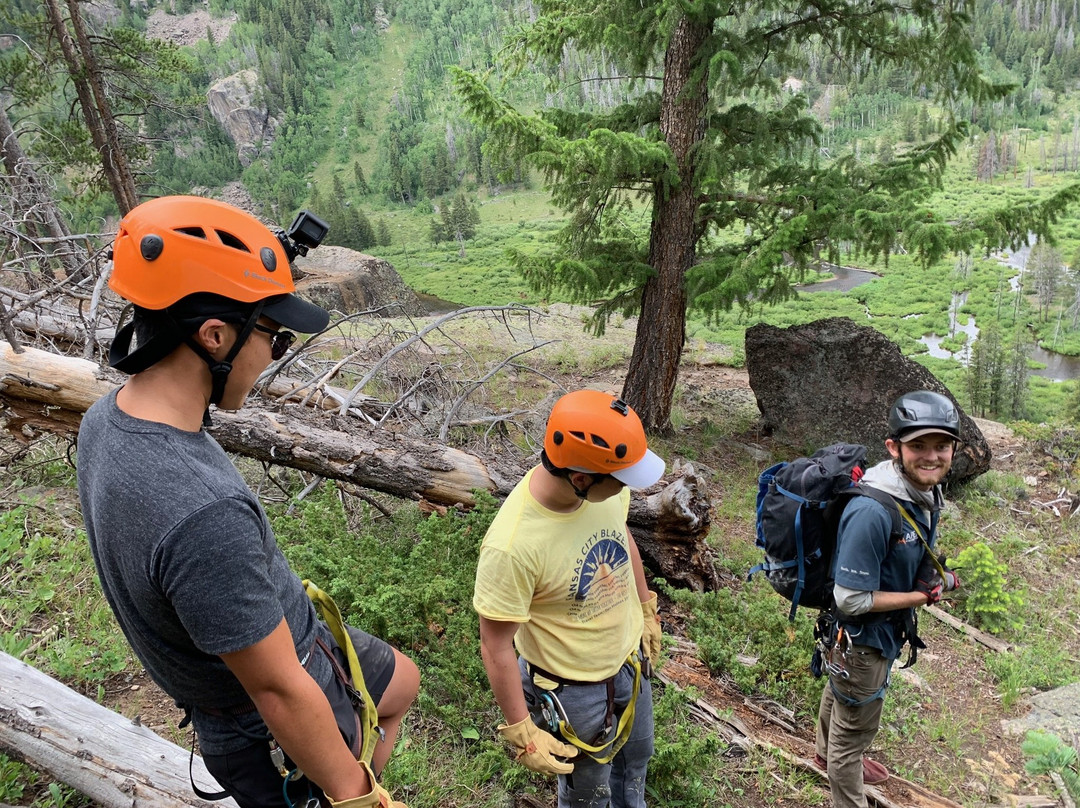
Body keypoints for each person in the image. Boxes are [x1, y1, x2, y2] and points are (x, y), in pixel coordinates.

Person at [76, 196, 419, 808]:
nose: (274, 355)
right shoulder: (201, 516)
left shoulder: (106, 421)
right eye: (275, 336)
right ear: (214, 336)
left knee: (403, 680)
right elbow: (278, 693)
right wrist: (351, 793)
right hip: (261, 720)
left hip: (286, 641)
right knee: (343, 778)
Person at [473, 389, 666, 808]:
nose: (626, 489)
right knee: (589, 795)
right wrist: (521, 728)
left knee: (635, 763)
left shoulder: (603, 486)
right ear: (581, 478)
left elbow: (621, 534)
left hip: (628, 663)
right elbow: (495, 645)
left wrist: (645, 606)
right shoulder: (514, 544)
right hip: (571, 691)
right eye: (622, 480)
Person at [815, 389, 962, 808]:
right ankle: (846, 785)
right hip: (864, 638)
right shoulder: (875, 512)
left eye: (941, 445)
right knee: (854, 729)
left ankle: (825, 750)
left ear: (954, 448)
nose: (931, 456)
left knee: (839, 690)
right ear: (894, 448)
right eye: (918, 446)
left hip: (862, 635)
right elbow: (851, 600)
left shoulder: (919, 493)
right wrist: (917, 596)